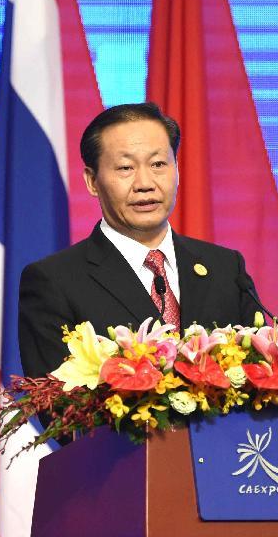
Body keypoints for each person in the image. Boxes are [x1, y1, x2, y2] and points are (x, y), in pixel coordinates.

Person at [18, 102, 261, 380]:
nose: (145, 182)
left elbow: (260, 375)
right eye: (125, 168)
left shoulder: (225, 269)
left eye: (158, 164)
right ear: (92, 181)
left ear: (177, 170)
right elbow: (57, 404)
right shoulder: (54, 282)